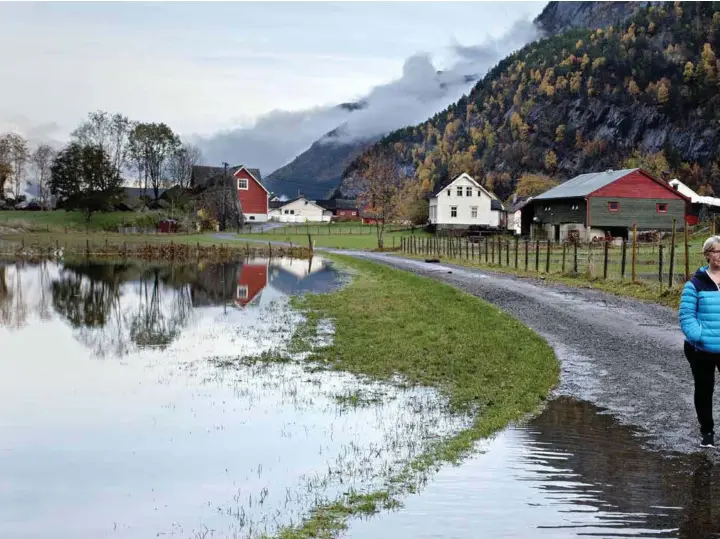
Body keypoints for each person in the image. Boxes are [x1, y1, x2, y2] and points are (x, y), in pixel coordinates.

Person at [680, 235, 720, 448]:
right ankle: (707, 432)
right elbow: (687, 316)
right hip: (701, 349)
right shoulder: (695, 284)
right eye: (715, 251)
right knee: (704, 390)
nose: (719, 256)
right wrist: (700, 336)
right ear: (707, 255)